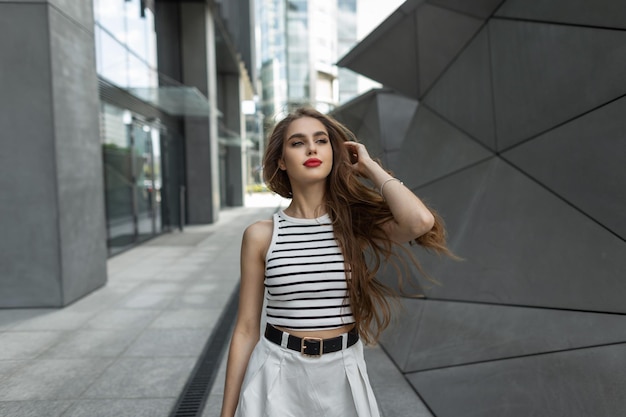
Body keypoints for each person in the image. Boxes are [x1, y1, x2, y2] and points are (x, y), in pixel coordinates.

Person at [220, 107, 452, 417]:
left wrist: (369, 167)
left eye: (321, 140)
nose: (312, 148)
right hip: (276, 373)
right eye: (298, 143)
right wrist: (226, 413)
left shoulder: (352, 225)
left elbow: (420, 221)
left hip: (342, 375)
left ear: (334, 152)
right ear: (281, 160)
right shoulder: (261, 235)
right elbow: (246, 329)